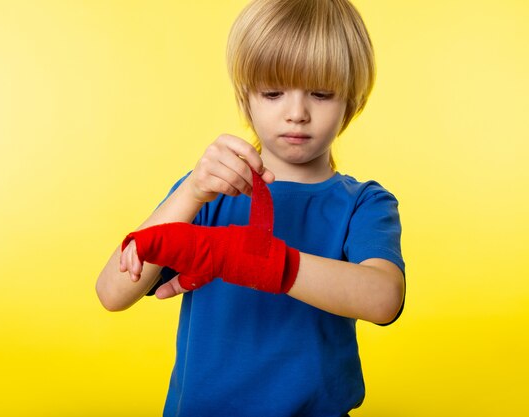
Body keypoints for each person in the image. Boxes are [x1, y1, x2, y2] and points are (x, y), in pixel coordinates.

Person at [95, 0, 406, 415]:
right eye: (273, 92)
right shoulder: (209, 193)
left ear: (351, 100)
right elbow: (111, 292)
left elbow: (383, 298)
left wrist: (254, 261)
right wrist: (190, 192)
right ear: (246, 98)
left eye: (321, 93)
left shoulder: (364, 202)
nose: (297, 113)